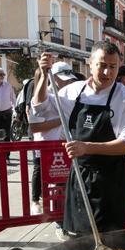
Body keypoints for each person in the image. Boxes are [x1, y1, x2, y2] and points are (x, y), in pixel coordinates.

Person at [33, 43, 125, 236]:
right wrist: (42, 75)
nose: (107, 72)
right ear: (90, 64)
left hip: (111, 178)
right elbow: (40, 107)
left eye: (113, 67)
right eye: (102, 65)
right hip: (80, 176)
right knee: (78, 237)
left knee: (110, 238)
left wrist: (86, 147)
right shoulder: (73, 91)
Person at [26, 63, 76, 215]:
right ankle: (35, 201)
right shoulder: (42, 95)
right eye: (63, 79)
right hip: (44, 145)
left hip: (63, 146)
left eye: (69, 79)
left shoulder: (70, 95)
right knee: (39, 172)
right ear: (53, 78)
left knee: (62, 181)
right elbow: (34, 127)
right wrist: (63, 119)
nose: (68, 83)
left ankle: (59, 212)